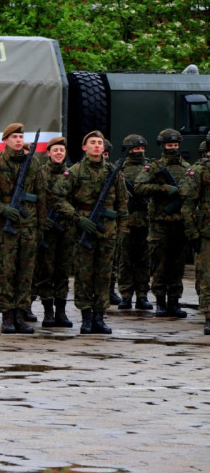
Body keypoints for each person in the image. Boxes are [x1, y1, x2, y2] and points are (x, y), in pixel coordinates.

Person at [0, 123, 47, 334]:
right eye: (14, 137)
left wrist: (41, 225)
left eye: (21, 137)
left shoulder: (32, 164)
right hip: (6, 228)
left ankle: (21, 315)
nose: (18, 140)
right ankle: (7, 316)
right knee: (5, 272)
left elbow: (41, 196)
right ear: (5, 140)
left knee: (25, 273)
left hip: (29, 226)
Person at [53, 130, 128, 334]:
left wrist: (120, 231)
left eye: (100, 143)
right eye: (92, 143)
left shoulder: (113, 172)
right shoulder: (75, 171)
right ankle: (86, 317)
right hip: (82, 231)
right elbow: (59, 198)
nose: (96, 145)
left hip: (108, 231)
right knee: (84, 275)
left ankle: (99, 317)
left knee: (104, 276)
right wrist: (78, 219)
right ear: (84, 147)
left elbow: (122, 203)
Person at [134, 128, 189, 318]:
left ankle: (174, 302)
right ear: (162, 146)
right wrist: (164, 188)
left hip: (180, 223)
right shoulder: (154, 167)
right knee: (160, 264)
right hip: (159, 223)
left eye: (175, 145)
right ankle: (160, 302)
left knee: (177, 265)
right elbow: (139, 187)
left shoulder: (186, 168)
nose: (172, 148)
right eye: (169, 145)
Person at [34, 136, 74, 327]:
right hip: (46, 231)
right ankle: (48, 312)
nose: (59, 153)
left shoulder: (71, 174)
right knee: (46, 270)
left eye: (62, 150)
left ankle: (61, 312)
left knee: (63, 272)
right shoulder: (40, 174)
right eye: (55, 150)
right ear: (48, 153)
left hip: (66, 229)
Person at [116, 134, 153, 311]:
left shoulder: (150, 168)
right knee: (125, 260)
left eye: (141, 148)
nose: (139, 152)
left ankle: (142, 295)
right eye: (135, 149)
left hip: (145, 220)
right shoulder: (119, 168)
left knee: (144, 260)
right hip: (127, 221)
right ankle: (125, 295)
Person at [182, 132, 210, 334]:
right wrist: (192, 233)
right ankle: (209, 315)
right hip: (206, 232)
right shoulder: (200, 170)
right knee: (206, 276)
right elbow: (188, 205)